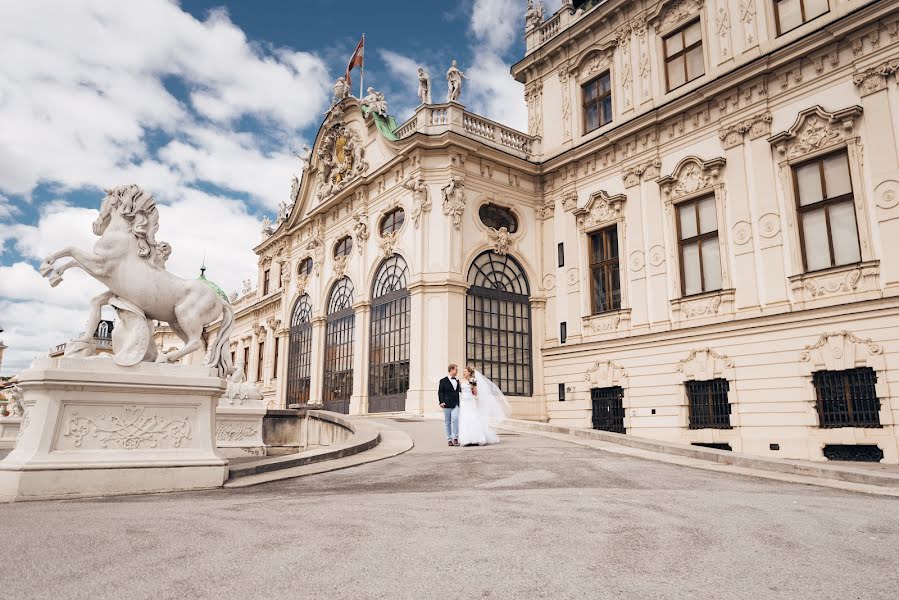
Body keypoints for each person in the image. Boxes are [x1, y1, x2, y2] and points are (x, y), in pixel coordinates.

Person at [457, 365, 510, 446]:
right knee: (464, 418)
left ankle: (476, 438)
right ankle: (466, 439)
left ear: (469, 372)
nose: (463, 373)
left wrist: (472, 387)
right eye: (463, 371)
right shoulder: (460, 381)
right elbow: (459, 392)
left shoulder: (473, 380)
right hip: (463, 402)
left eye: (465, 371)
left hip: (471, 401)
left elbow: (475, 393)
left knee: (473, 418)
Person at [437, 363, 461, 446]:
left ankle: (455, 438)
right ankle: (449, 439)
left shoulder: (457, 381)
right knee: (447, 422)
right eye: (456, 370)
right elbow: (440, 392)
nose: (457, 371)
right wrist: (441, 401)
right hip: (446, 404)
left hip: (456, 404)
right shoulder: (443, 380)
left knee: (455, 419)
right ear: (451, 370)